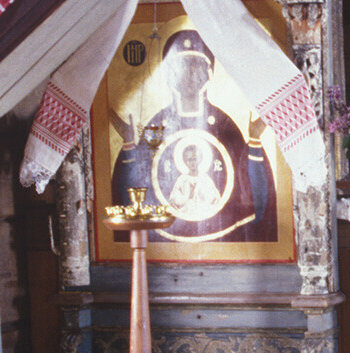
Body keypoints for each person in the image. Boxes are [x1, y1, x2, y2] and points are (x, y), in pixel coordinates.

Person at [111, 29, 278, 244]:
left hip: (225, 233)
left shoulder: (222, 123)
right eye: (182, 66)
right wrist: (129, 145)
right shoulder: (158, 125)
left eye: (196, 66)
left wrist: (254, 142)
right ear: (170, 74)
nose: (189, 75)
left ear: (208, 74)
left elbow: (252, 188)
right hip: (164, 235)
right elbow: (138, 178)